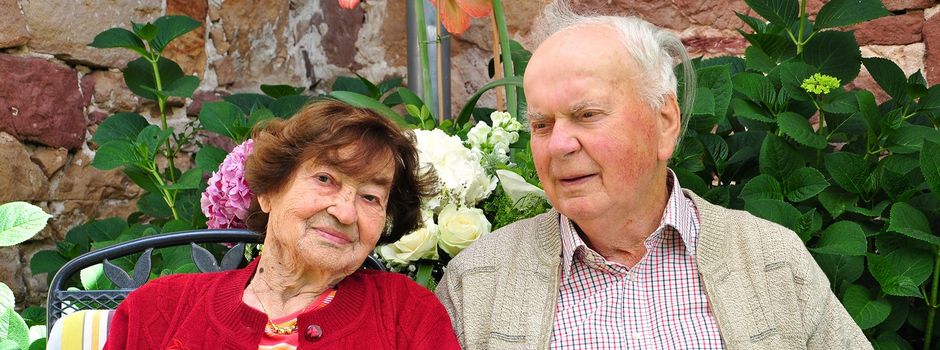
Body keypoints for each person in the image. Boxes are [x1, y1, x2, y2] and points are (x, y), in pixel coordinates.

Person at [434, 3, 870, 349]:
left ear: (664, 123)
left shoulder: (772, 260)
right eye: (542, 125)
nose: (559, 145)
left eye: (586, 115)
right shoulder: (478, 282)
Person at [105, 100, 460, 349]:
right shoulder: (155, 311)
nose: (346, 213)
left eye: (370, 197)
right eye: (325, 178)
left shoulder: (408, 315)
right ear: (269, 192)